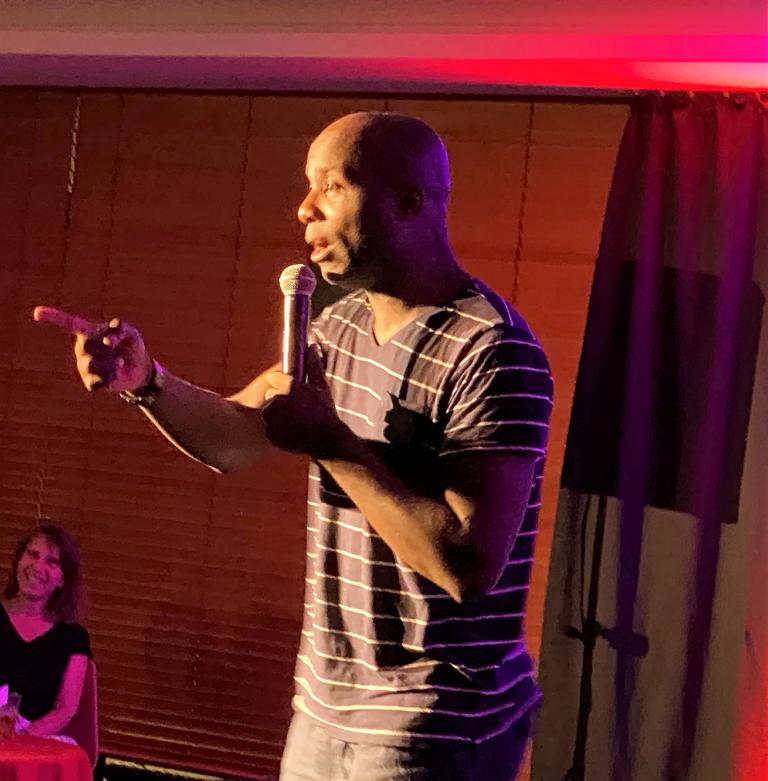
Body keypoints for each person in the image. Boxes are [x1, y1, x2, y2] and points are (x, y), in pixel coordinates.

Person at [34, 112, 553, 780]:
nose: (304, 208)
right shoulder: (338, 326)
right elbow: (236, 438)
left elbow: (467, 563)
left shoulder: (492, 349)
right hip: (323, 708)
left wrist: (331, 443)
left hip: (432, 723)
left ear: (408, 202)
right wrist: (146, 382)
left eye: (332, 186)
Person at [0, 524, 92, 737]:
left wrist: (24, 738)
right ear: (18, 561)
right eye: (33, 555)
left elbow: (66, 709)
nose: (38, 567)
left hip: (35, 739)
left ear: (63, 579)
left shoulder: (74, 638)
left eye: (51, 562)